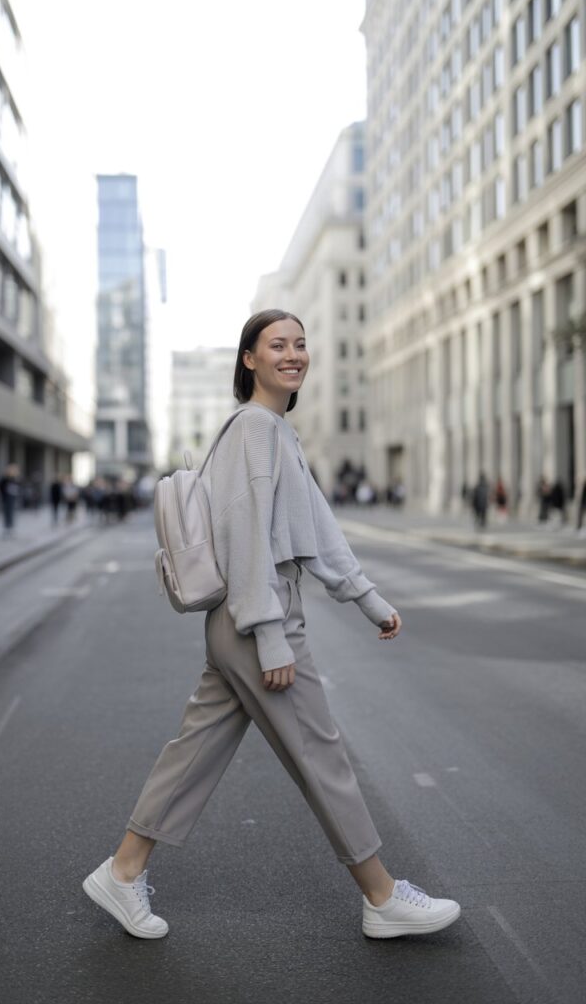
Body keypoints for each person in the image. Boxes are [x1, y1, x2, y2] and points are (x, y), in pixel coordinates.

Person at [82, 309, 461, 941]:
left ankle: (122, 872)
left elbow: (318, 533)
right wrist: (268, 630)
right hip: (259, 613)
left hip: (249, 616)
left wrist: (369, 600)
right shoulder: (255, 430)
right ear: (249, 359)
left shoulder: (276, 432)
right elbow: (245, 537)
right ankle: (382, 894)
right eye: (277, 344)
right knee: (320, 752)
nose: (294, 354)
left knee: (196, 750)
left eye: (301, 344)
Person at [0, 463, 21, 537]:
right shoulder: (5, 479)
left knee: (12, 513)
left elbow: (19, 486)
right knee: (6, 513)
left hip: (13, 498)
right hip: (6, 498)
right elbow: (1, 486)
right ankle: (6, 527)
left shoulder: (15, 478)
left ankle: (11, 527)